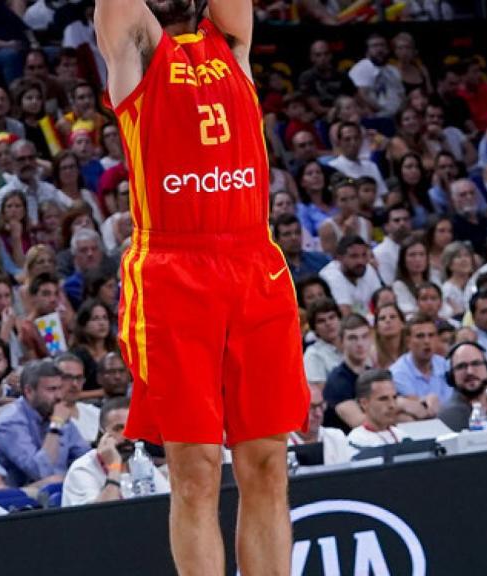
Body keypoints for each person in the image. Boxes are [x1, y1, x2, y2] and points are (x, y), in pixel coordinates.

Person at [97, 4, 310, 574]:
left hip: (253, 263)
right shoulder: (138, 48)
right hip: (172, 270)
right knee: (195, 471)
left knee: (267, 464)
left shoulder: (232, 43)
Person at [0, 359, 90, 487]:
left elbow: (86, 458)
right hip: (21, 499)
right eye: (51, 389)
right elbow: (41, 472)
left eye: (60, 388)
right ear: (29, 391)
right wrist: (56, 425)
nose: (59, 396)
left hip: (60, 493)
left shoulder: (55, 412)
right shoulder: (10, 422)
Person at [62, 397, 170, 506]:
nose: (127, 435)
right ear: (103, 433)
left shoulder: (140, 462)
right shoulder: (83, 470)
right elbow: (98, 517)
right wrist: (114, 467)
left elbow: (167, 503)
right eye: (118, 429)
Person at [389, 313, 452, 420]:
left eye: (431, 335)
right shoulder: (398, 372)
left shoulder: (446, 365)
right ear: (408, 342)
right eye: (420, 336)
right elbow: (421, 410)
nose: (427, 341)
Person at [324, 314, 373, 431]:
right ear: (341, 342)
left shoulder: (373, 374)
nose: (360, 343)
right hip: (345, 445)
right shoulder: (337, 381)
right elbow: (359, 424)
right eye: (352, 338)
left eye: (364, 336)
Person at [319, 235, 383, 318]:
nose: (361, 261)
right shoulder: (331, 276)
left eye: (364, 255)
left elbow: (383, 301)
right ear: (339, 258)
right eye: (354, 256)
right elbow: (346, 316)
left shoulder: (367, 268)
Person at [287, 385, 352, 465]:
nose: (319, 414)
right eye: (311, 407)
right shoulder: (277, 445)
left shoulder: (336, 436)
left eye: (321, 406)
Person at [346, 369, 409, 449]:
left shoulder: (403, 437)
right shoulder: (355, 442)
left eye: (394, 397)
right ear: (364, 403)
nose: (392, 405)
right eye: (383, 399)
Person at [302, 298, 343, 387]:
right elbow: (321, 392)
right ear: (314, 329)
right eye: (321, 321)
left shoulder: (353, 343)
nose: (328, 323)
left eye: (332, 317)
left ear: (340, 319)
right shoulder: (313, 355)